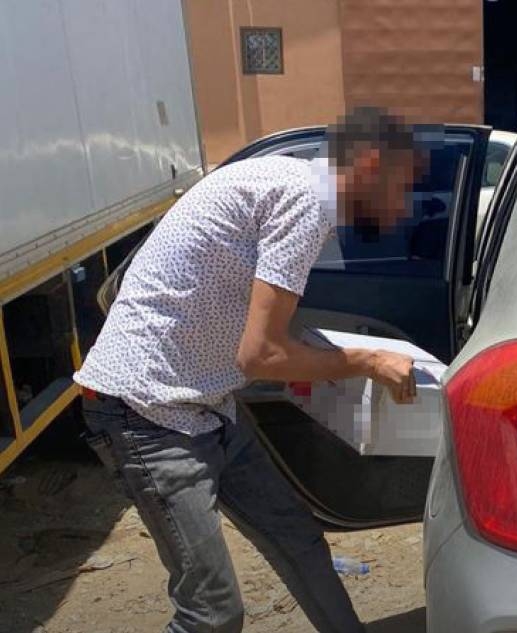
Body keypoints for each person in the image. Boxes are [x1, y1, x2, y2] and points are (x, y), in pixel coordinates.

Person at [74, 107, 423, 633]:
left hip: (208, 406)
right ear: (371, 164)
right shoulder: (307, 200)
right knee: (211, 614)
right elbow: (261, 357)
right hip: (148, 412)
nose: (403, 208)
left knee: (297, 539)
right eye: (402, 188)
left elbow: (260, 327)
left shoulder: (291, 185)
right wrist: (368, 361)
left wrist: (331, 358)